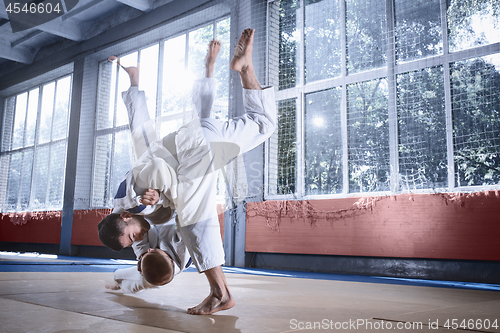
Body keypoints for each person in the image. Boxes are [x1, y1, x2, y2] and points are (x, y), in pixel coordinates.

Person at [98, 28, 276, 315]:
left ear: (125, 217)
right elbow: (142, 133)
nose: (138, 243)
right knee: (263, 124)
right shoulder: (143, 236)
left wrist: (153, 195)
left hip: (194, 154)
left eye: (131, 237)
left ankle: (221, 293)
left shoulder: (130, 194)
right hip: (202, 135)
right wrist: (135, 83)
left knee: (194, 218)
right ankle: (245, 69)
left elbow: (146, 151)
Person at [105, 216, 191, 293]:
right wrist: (143, 255)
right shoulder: (179, 239)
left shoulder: (179, 248)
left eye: (151, 251)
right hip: (166, 220)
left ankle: (119, 281)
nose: (150, 249)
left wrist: (143, 257)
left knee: (148, 280)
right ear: (172, 261)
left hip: (167, 228)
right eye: (152, 251)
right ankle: (118, 278)